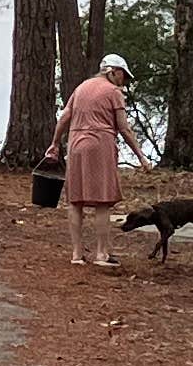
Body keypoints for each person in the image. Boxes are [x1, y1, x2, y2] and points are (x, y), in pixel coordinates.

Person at [49, 54, 135, 269]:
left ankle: (77, 253)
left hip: (76, 145)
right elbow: (123, 127)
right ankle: (101, 253)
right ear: (112, 71)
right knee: (102, 201)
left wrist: (55, 143)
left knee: (75, 200)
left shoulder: (82, 88)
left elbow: (64, 118)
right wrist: (140, 156)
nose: (123, 80)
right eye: (122, 75)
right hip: (100, 145)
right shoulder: (114, 92)